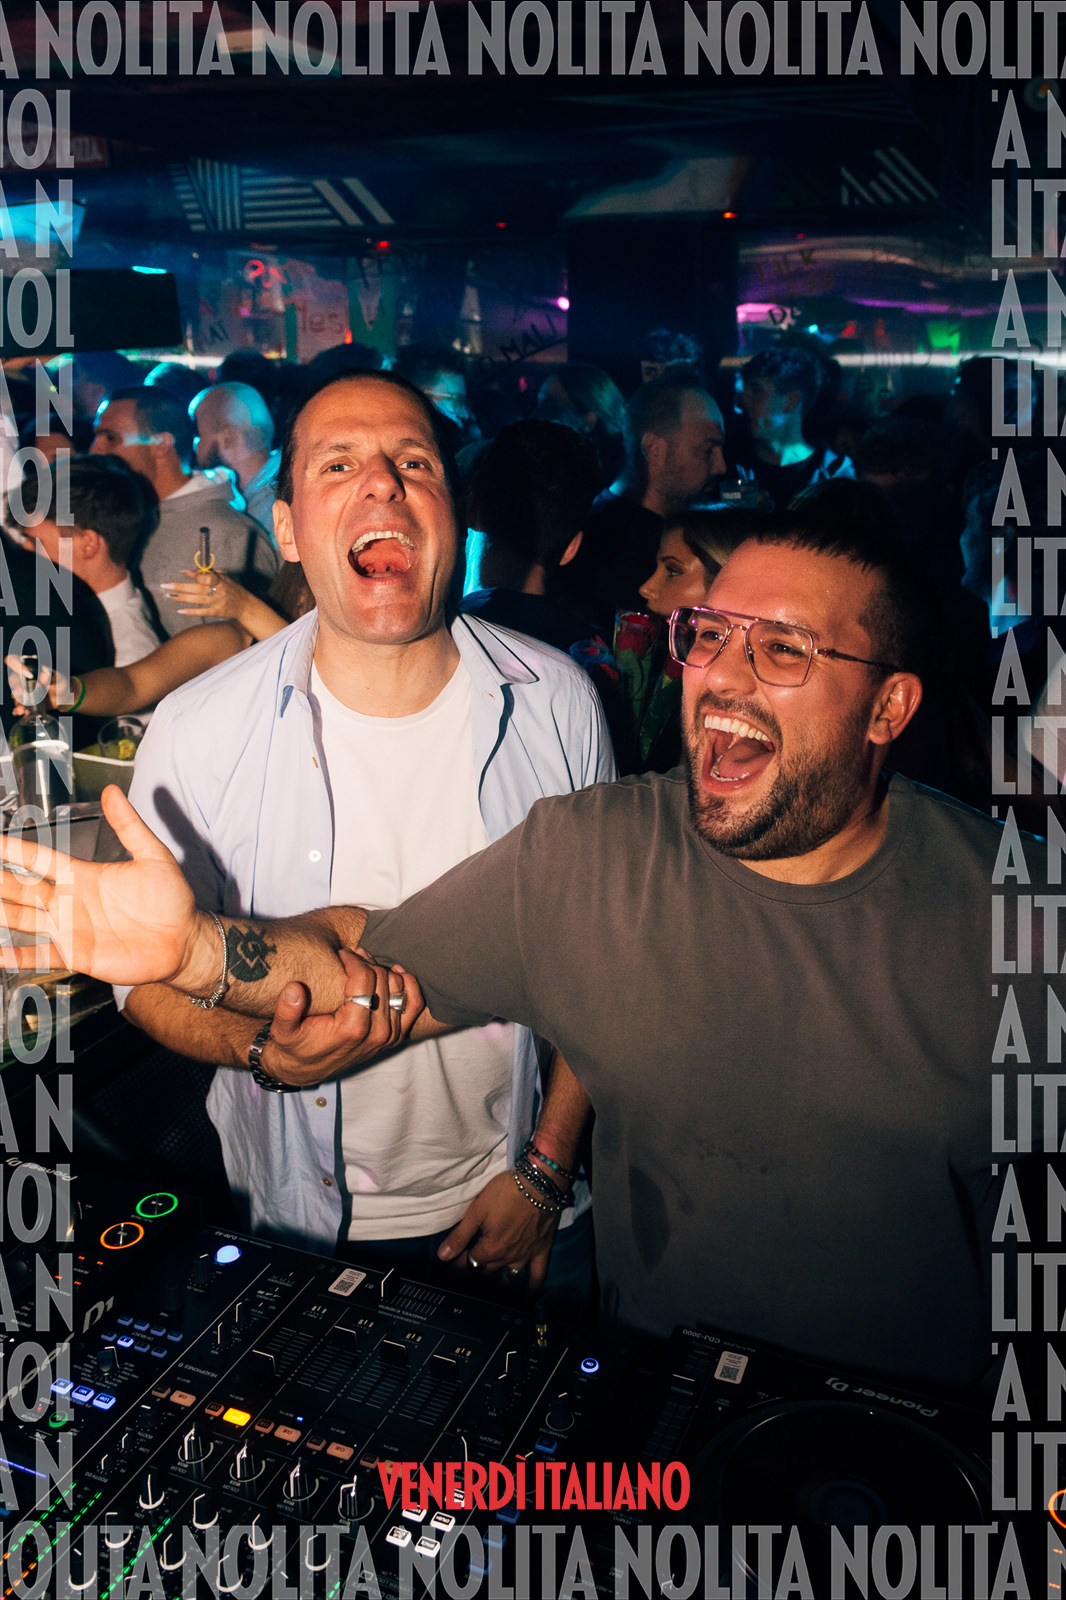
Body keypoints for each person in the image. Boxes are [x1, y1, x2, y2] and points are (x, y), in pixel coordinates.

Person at [3, 513, 1049, 1393]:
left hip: (911, 1450)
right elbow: (364, 956)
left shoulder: (1018, 922)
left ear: (889, 706)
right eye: (708, 637)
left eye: (782, 650)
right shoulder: (603, 851)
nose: (721, 679)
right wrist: (192, 949)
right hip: (652, 1411)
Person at [59, 368, 614, 1289]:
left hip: (522, 1203)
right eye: (338, 464)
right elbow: (144, 981)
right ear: (286, 530)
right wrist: (260, 1050)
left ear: (457, 514)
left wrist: (547, 1170)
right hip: (294, 1221)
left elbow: (602, 959)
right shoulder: (200, 728)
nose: (383, 483)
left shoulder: (556, 701)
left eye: (413, 462)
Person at [90, 385, 278, 638]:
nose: (95, 450)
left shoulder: (229, 535)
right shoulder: (122, 517)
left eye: (111, 438)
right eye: (96, 437)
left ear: (161, 444)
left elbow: (254, 647)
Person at [562, 372, 727, 632]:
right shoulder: (602, 542)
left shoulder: (685, 528)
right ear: (654, 448)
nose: (721, 466)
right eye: (707, 450)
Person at [21, 455, 163, 669]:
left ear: (88, 544)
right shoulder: (72, 613)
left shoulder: (128, 658)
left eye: (35, 542)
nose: (25, 551)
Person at [736, 347, 854, 511]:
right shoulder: (731, 469)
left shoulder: (837, 478)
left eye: (756, 391)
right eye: (744, 392)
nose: (743, 402)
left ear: (791, 400)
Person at [190, 382, 281, 534]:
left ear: (227, 437)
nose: (194, 447)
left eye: (197, 436)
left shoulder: (271, 511)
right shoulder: (281, 486)